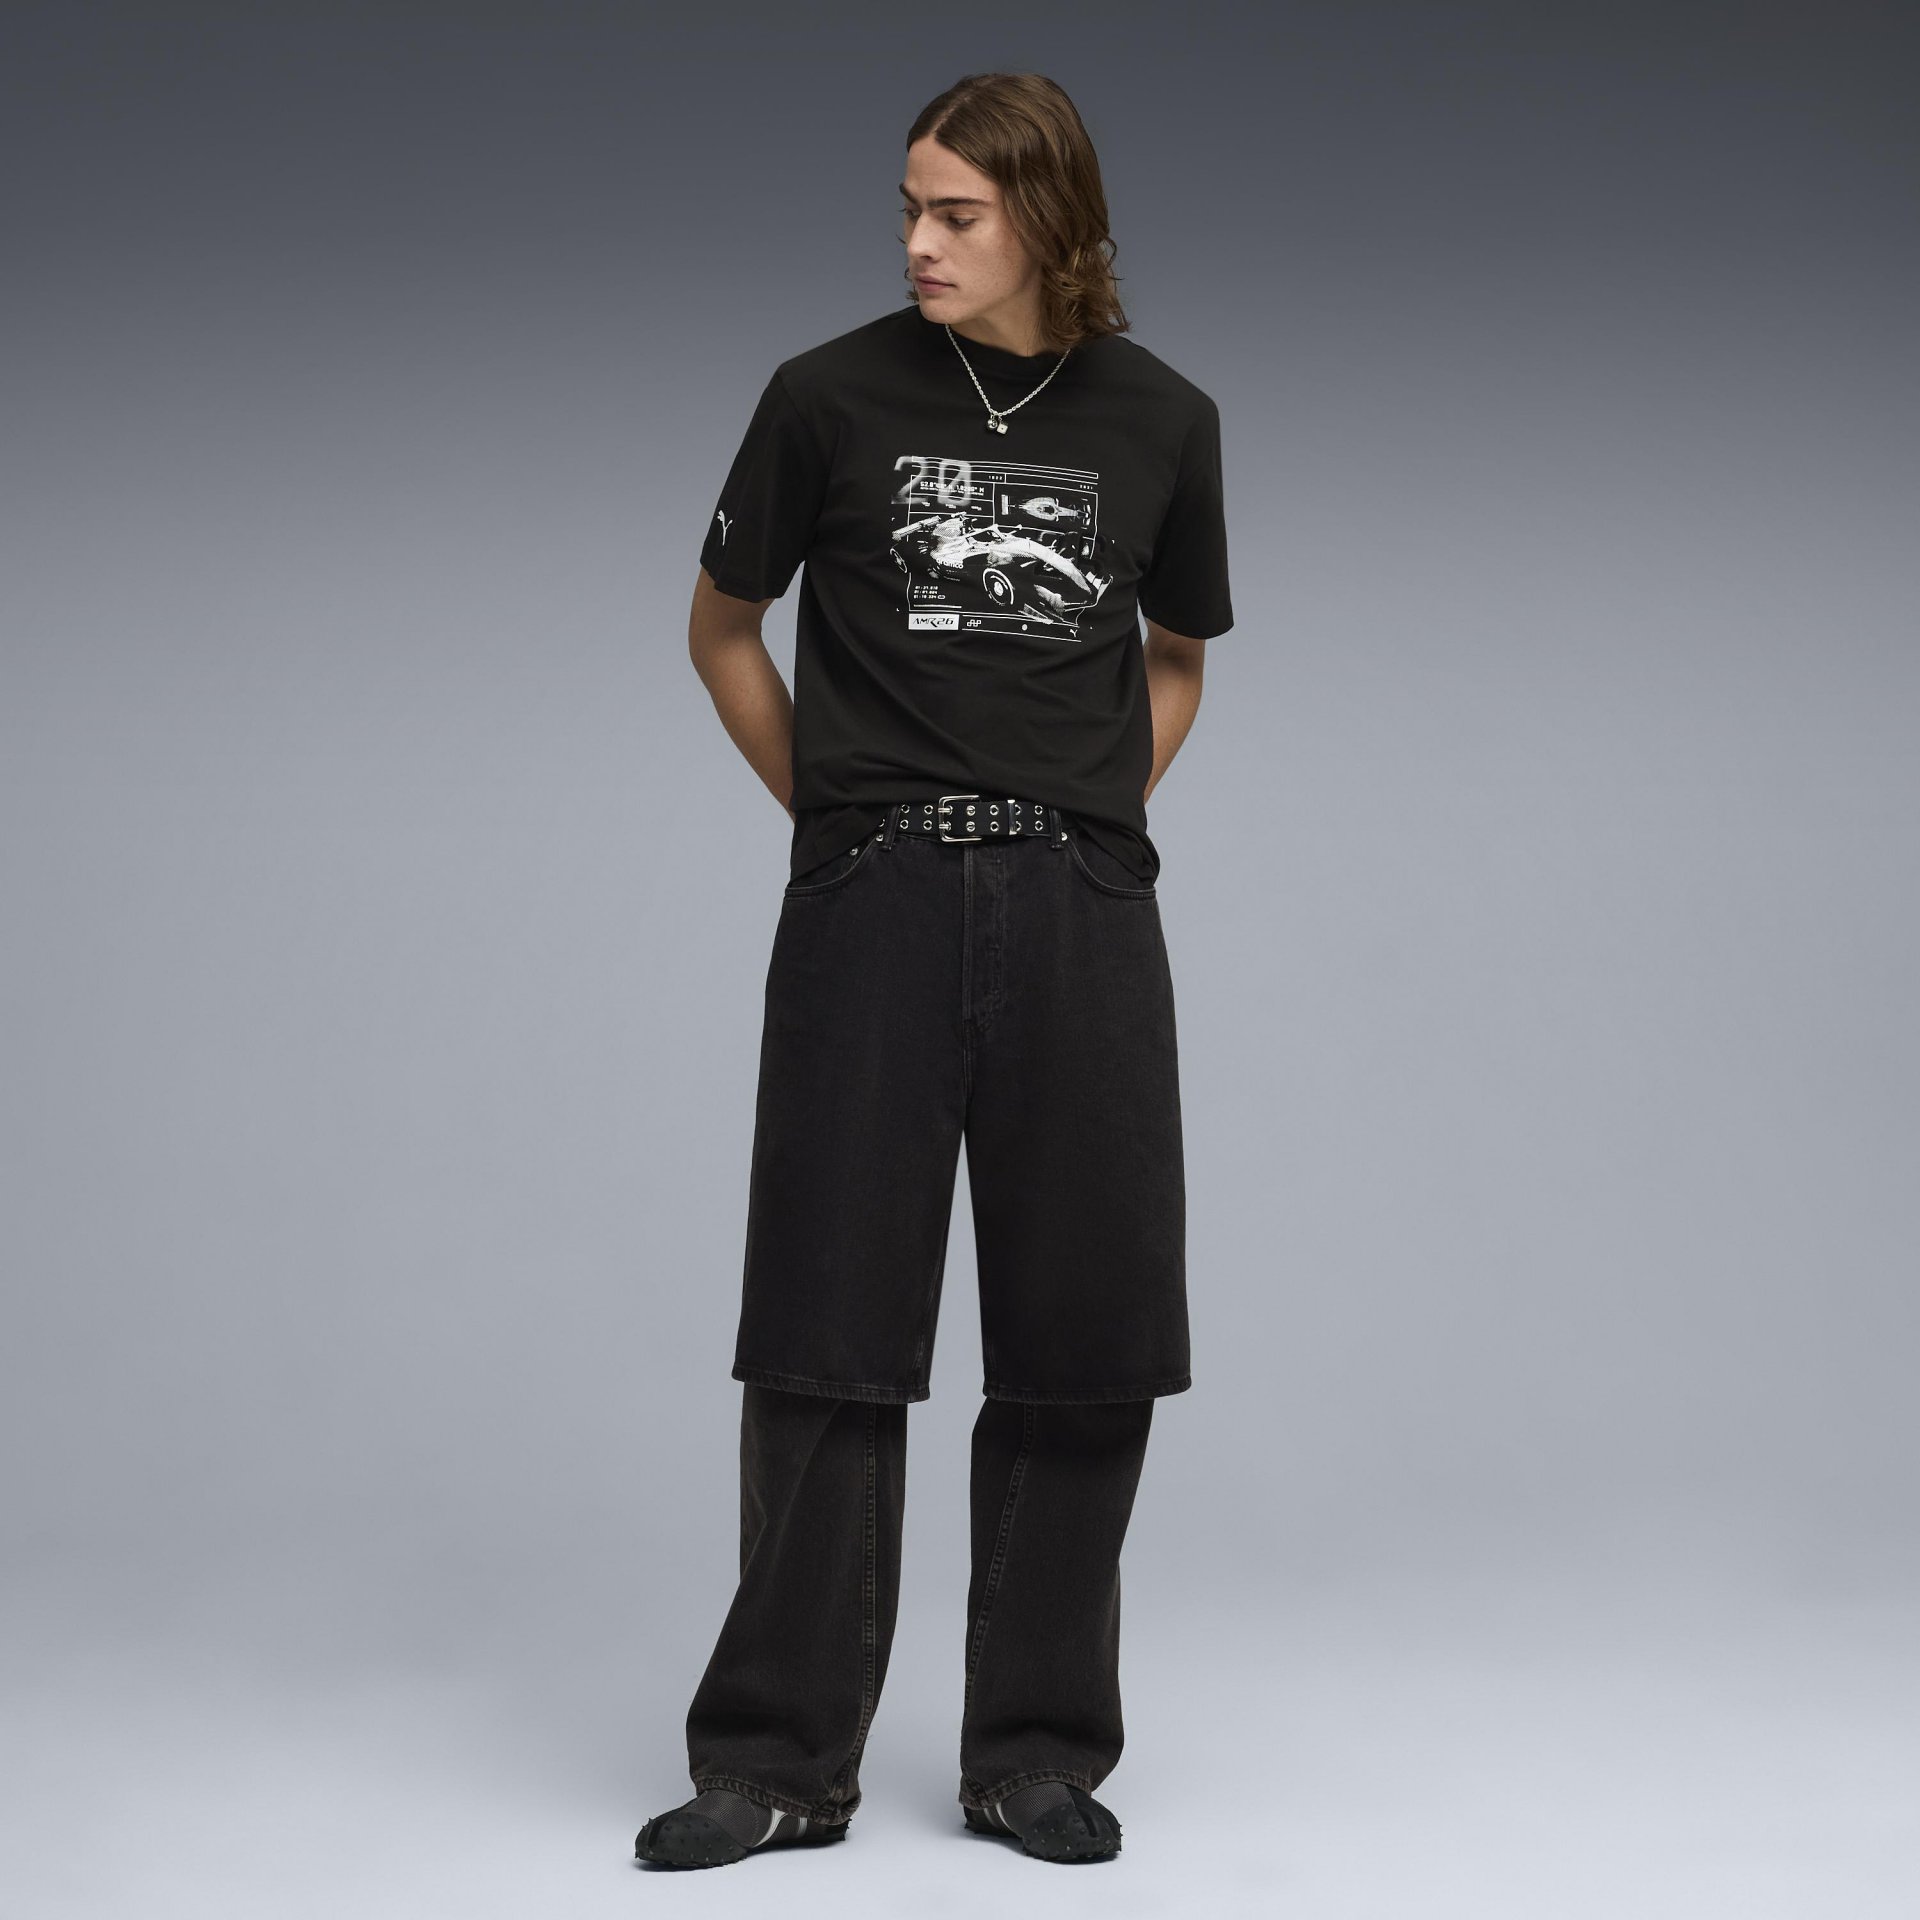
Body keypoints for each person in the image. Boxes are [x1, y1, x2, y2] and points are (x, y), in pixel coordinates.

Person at [634, 69, 1233, 1871]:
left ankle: (1032, 1751)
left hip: (1080, 911)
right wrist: (834, 813)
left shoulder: (1164, 418)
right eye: (909, 206)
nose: (918, 241)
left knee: (1085, 1330)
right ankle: (776, 1763)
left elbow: (1180, 655)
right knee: (825, 1322)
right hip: (873, 899)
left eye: (956, 213)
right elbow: (721, 631)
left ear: (1049, 217)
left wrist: (1089, 812)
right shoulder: (824, 396)